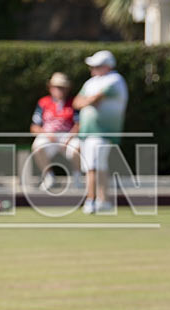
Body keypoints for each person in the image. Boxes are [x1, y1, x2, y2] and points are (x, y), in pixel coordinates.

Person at [72, 50, 128, 214]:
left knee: (93, 167)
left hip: (103, 132)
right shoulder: (90, 82)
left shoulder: (115, 80)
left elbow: (94, 99)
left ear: (107, 66)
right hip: (87, 132)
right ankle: (103, 200)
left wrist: (89, 101)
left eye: (96, 66)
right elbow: (77, 102)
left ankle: (91, 200)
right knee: (98, 166)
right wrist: (88, 102)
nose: (92, 69)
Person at [29, 72, 81, 191]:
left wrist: (69, 138)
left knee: (77, 148)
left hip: (69, 136)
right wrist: (47, 134)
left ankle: (77, 179)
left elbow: (79, 124)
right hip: (48, 136)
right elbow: (34, 127)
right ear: (51, 88)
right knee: (37, 146)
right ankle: (49, 177)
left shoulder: (73, 102)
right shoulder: (43, 102)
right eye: (57, 87)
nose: (60, 90)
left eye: (63, 87)